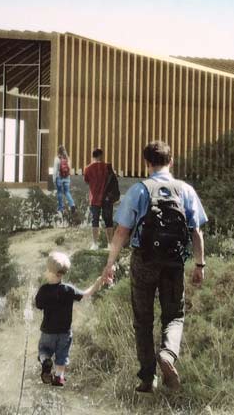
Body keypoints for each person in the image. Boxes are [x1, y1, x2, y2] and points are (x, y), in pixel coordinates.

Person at [102, 140, 207, 393]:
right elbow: (197, 231)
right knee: (174, 315)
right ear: (171, 161)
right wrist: (200, 265)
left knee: (143, 319)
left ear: (147, 163)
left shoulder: (139, 190)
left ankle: (147, 379)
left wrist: (110, 264)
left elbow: (121, 232)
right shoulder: (185, 190)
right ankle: (168, 354)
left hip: (143, 261)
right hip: (174, 262)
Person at [34, 251, 104, 387]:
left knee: (43, 350)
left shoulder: (44, 290)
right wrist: (97, 282)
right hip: (65, 333)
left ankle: (46, 361)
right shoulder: (69, 289)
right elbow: (86, 294)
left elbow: (38, 305)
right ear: (62, 273)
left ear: (49, 271)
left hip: (48, 332)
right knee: (62, 356)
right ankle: (59, 377)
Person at [83, 148, 116, 249]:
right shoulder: (107, 167)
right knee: (108, 221)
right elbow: (113, 181)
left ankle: (95, 244)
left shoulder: (87, 168)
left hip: (94, 198)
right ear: (101, 155)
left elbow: (87, 181)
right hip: (107, 198)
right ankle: (110, 244)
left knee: (95, 220)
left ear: (93, 156)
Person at [52, 146, 76, 218]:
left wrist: (54, 179)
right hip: (67, 177)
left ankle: (61, 208)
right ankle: (72, 204)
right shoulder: (68, 159)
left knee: (59, 192)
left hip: (59, 177)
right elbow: (69, 169)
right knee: (67, 192)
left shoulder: (57, 159)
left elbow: (55, 170)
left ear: (58, 151)